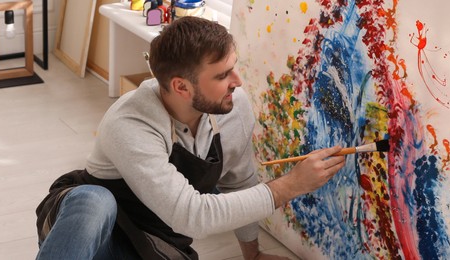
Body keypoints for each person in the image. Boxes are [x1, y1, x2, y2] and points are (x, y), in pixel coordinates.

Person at [35, 16, 346, 260]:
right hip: (92, 230)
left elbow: (238, 182)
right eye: (223, 75)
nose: (237, 82)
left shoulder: (233, 107)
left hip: (154, 241)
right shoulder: (129, 123)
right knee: (95, 201)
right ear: (181, 87)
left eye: (233, 68)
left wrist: (252, 255)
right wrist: (289, 185)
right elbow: (192, 216)